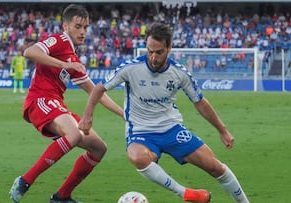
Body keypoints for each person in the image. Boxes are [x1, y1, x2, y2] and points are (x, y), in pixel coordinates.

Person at [79, 22, 250, 203]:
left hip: (172, 129)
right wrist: (88, 115)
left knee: (215, 167)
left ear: (169, 48)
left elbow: (200, 103)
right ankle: (185, 193)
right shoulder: (130, 68)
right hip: (140, 131)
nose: (153, 57)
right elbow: (99, 89)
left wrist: (222, 130)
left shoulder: (179, 73)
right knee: (137, 157)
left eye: (159, 52)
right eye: (150, 51)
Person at [9, 4, 123, 203]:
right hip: (40, 100)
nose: (82, 31)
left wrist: (125, 114)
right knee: (74, 133)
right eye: (78, 26)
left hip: (56, 105)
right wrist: (65, 65)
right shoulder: (60, 40)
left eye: (85, 27)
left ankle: (62, 197)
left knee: (99, 148)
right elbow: (29, 52)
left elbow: (97, 93)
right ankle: (25, 181)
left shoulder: (73, 57)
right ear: (66, 25)